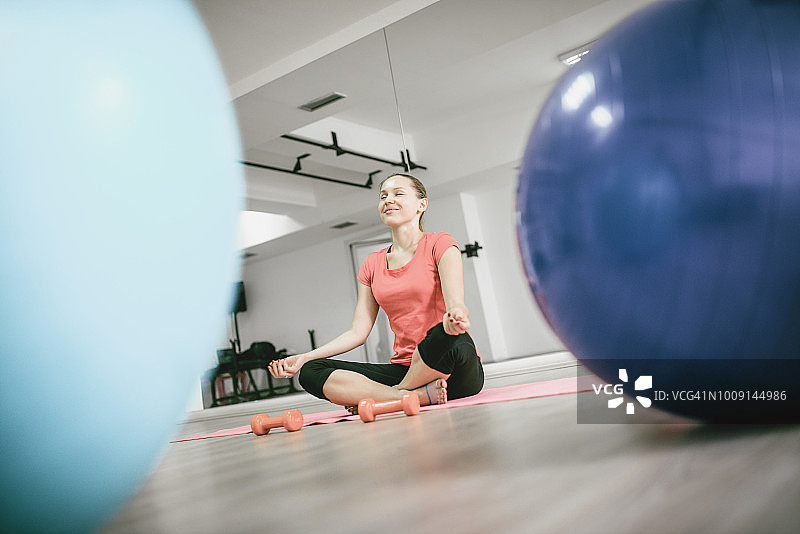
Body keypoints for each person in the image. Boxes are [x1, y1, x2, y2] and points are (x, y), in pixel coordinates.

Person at [268, 173, 484, 409]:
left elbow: (456, 304)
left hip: (452, 369)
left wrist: (457, 317)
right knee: (312, 371)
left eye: (398, 193)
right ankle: (410, 397)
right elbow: (358, 332)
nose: (388, 200)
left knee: (447, 335)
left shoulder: (439, 243)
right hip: (405, 369)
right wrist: (305, 357)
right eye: (383, 196)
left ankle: (391, 396)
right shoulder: (372, 264)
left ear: (421, 204)